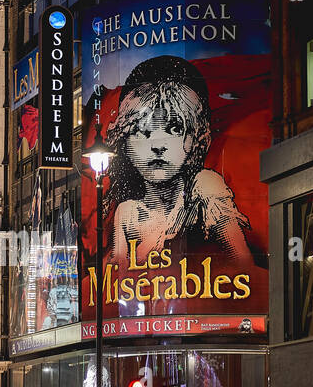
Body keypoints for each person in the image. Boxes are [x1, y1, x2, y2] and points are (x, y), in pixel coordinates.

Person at [104, 54, 253, 266]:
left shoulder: (204, 187)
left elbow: (243, 264)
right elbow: (115, 277)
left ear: (196, 137)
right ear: (125, 142)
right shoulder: (127, 213)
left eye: (175, 128)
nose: (158, 144)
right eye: (142, 131)